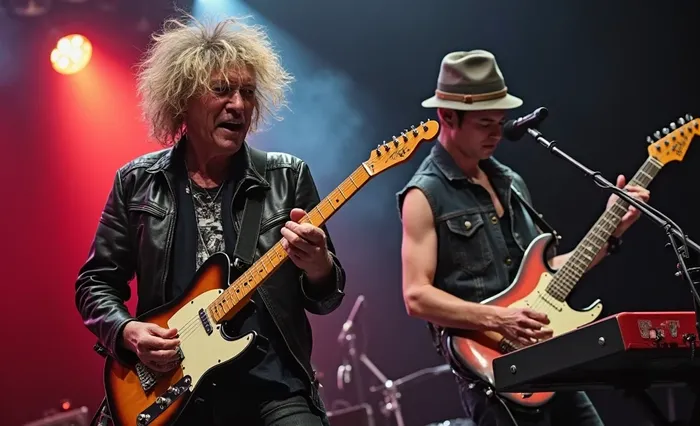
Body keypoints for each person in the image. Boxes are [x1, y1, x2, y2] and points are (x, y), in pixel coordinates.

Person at [75, 15, 346, 426]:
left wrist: (318, 266)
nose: (238, 105)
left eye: (248, 93)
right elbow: (95, 283)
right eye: (221, 90)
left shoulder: (287, 177)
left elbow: (325, 298)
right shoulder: (137, 182)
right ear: (183, 98)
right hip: (171, 389)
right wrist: (127, 332)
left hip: (272, 389)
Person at [396, 50, 650, 426]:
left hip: (546, 351)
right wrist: (500, 319)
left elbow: (546, 272)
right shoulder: (423, 195)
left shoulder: (511, 182)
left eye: (500, 122)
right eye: (485, 124)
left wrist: (610, 233)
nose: (497, 134)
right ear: (446, 117)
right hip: (491, 366)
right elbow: (416, 296)